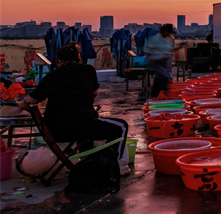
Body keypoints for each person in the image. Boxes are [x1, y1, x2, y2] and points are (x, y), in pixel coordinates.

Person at [17, 42, 130, 173]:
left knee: (90, 126)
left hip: (57, 131)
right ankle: (118, 165)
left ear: (59, 60)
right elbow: (94, 94)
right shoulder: (88, 70)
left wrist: (15, 107)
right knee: (121, 126)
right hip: (81, 126)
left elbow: (29, 101)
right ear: (78, 58)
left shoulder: (52, 76)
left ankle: (88, 161)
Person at [144, 24, 175, 99]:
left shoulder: (169, 40)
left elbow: (169, 52)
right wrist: (150, 58)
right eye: (168, 32)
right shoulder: (155, 39)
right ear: (164, 31)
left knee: (159, 79)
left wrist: (167, 64)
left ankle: (155, 95)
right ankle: (166, 96)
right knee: (163, 78)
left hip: (165, 62)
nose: (169, 34)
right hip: (156, 61)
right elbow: (148, 50)